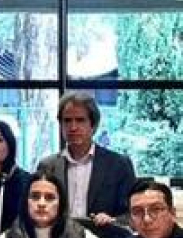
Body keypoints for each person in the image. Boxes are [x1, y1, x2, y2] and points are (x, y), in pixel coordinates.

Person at [37, 91, 135, 226]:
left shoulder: (118, 165)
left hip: (102, 236)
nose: (73, 127)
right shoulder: (47, 166)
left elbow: (132, 214)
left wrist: (112, 221)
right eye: (67, 121)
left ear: (93, 125)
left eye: (80, 120)